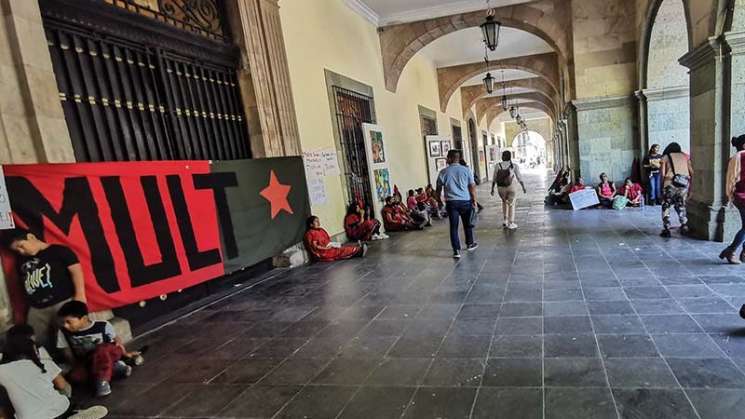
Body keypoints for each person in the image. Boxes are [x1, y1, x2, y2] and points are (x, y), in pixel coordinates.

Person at [0, 324, 108, 419]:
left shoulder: (2, 370)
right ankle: (72, 413)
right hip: (61, 409)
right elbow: (62, 385)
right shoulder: (40, 361)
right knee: (63, 390)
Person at [1, 228, 86, 349]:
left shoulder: (59, 251)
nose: (21, 251)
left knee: (69, 339)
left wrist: (80, 296)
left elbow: (76, 272)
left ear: (31, 237)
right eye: (17, 250)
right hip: (37, 307)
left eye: (21, 246)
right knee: (35, 341)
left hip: (61, 302)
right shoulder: (21, 261)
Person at [56, 301, 142, 398]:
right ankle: (117, 368)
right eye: (63, 322)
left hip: (109, 353)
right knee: (75, 377)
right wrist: (77, 366)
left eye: (69, 322)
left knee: (101, 350)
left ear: (83, 319)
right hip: (89, 360)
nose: (65, 325)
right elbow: (66, 352)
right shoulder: (63, 332)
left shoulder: (102, 325)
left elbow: (117, 340)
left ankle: (102, 382)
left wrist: (125, 353)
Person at [436, 150, 478, 259]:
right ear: (458, 158)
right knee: (467, 224)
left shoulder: (443, 172)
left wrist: (439, 201)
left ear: (450, 158)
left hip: (451, 202)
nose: (446, 160)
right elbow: (472, 186)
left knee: (453, 227)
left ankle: (456, 250)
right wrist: (474, 200)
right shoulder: (466, 170)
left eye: (447, 158)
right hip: (465, 201)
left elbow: (438, 188)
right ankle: (470, 243)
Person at [659, 142, 693, 237]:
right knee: (681, 205)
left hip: (669, 183)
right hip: (683, 184)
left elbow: (662, 174)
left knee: (666, 205)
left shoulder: (665, 157)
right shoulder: (685, 156)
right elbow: (691, 172)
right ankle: (684, 225)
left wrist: (662, 186)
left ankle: (666, 228)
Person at [721, 134, 745, 264]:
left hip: (739, 196)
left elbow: (731, 179)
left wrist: (730, 195)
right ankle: (730, 251)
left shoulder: (735, 158)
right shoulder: (741, 156)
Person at [491, 150, 526, 229]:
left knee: (504, 202)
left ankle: (505, 220)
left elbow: (494, 178)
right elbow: (519, 177)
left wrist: (492, 189)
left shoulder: (498, 165)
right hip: (511, 187)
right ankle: (511, 223)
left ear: (503, 157)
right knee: (511, 204)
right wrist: (523, 187)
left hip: (501, 188)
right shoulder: (514, 166)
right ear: (510, 157)